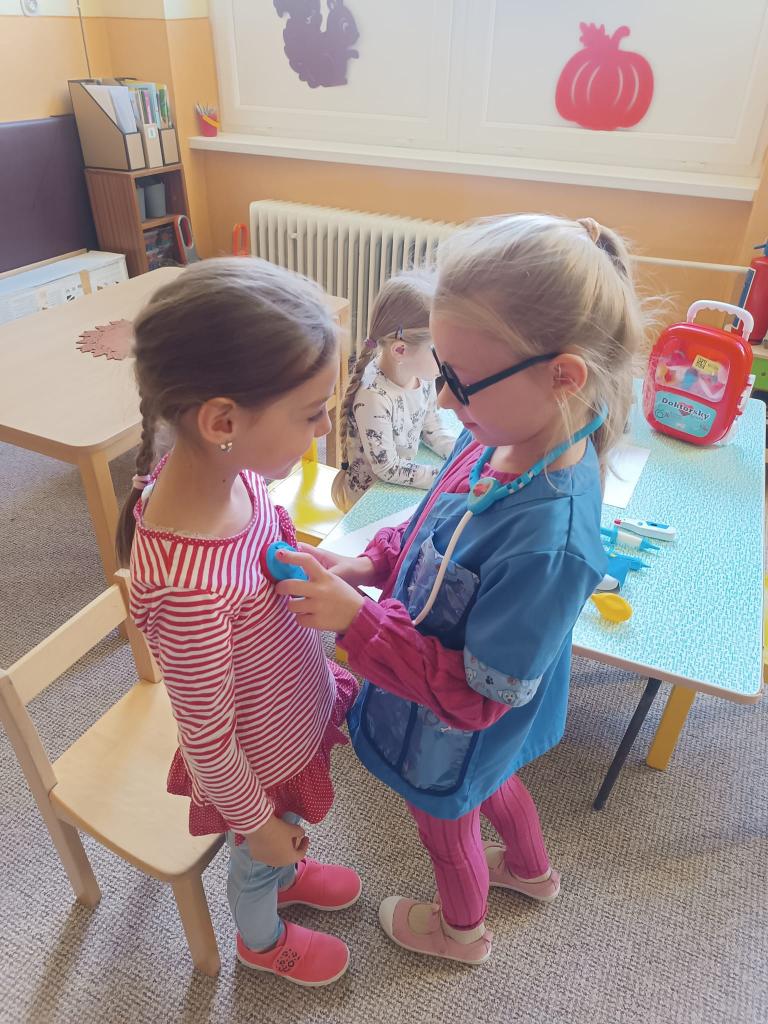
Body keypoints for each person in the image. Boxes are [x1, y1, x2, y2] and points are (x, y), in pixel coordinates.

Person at [275, 214, 646, 964]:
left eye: (461, 382)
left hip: (458, 724)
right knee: (494, 781)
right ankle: (531, 872)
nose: (443, 401)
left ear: (564, 376)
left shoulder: (550, 542)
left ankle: (460, 932)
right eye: (441, 372)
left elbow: (477, 703)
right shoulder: (504, 435)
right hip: (477, 725)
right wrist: (371, 567)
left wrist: (357, 623)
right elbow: (432, 530)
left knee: (448, 819)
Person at [115, 258, 360, 987]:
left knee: (283, 841)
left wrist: (302, 567)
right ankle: (261, 937)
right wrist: (258, 826)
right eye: (311, 414)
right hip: (257, 763)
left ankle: (286, 869)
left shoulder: (233, 473)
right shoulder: (189, 590)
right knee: (257, 862)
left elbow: (264, 550)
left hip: (287, 713)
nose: (324, 429)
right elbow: (208, 740)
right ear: (222, 422)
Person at [332, 270, 456, 511]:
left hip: (400, 486)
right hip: (370, 502)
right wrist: (443, 477)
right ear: (400, 351)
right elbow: (387, 468)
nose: (447, 358)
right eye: (439, 348)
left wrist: (458, 454)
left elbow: (431, 427)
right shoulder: (373, 397)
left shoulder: (422, 376)